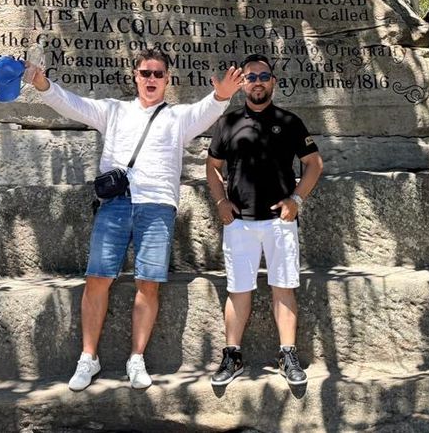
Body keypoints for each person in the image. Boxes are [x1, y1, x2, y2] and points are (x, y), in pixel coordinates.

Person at [23, 49, 243, 391]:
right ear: (135, 76)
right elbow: (71, 104)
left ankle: (136, 358)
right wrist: (41, 83)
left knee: (148, 282)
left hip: (157, 207)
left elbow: (207, 110)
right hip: (115, 205)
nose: (151, 79)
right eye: (145, 73)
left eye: (158, 74)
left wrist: (222, 95)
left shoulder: (178, 117)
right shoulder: (114, 110)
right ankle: (88, 357)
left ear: (168, 79)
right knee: (97, 277)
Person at [205, 53, 324, 388]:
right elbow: (212, 167)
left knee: (283, 287)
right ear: (242, 83)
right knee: (238, 289)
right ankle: (233, 355)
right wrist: (221, 202)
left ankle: (287, 355)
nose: (257, 82)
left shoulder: (290, 122)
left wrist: (296, 200)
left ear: (273, 81)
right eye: (251, 77)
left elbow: (314, 164)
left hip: (279, 221)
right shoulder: (227, 123)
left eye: (263, 76)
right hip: (238, 221)